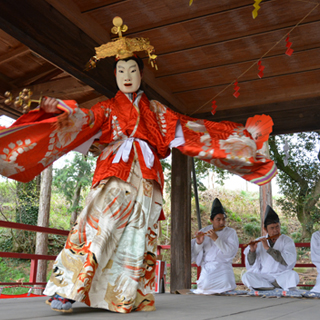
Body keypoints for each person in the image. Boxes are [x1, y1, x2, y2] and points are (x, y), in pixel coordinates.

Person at [0, 17, 277, 313]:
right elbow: (84, 122)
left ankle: (123, 295)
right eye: (121, 71)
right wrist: (67, 112)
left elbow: (190, 129)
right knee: (98, 226)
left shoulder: (156, 111)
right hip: (115, 173)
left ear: (141, 74)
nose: (127, 76)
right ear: (116, 75)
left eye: (133, 70)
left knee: (135, 234)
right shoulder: (107, 107)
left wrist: (241, 140)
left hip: (145, 179)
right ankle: (69, 288)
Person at [242, 205, 299, 291]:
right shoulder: (259, 241)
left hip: (280, 276)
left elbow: (287, 261)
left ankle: (268, 287)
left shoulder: (287, 241)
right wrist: (252, 251)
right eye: (272, 228)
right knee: (246, 276)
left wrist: (268, 249)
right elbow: (251, 264)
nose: (276, 230)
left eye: (277, 227)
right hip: (264, 276)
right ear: (265, 229)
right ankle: (271, 287)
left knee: (293, 275)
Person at [191, 198, 239, 294]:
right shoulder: (204, 231)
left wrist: (216, 239)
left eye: (223, 219)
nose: (222, 222)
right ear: (211, 220)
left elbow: (230, 252)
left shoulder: (230, 232)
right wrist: (199, 243)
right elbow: (196, 253)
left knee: (226, 283)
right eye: (218, 219)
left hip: (223, 267)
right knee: (204, 285)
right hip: (208, 267)